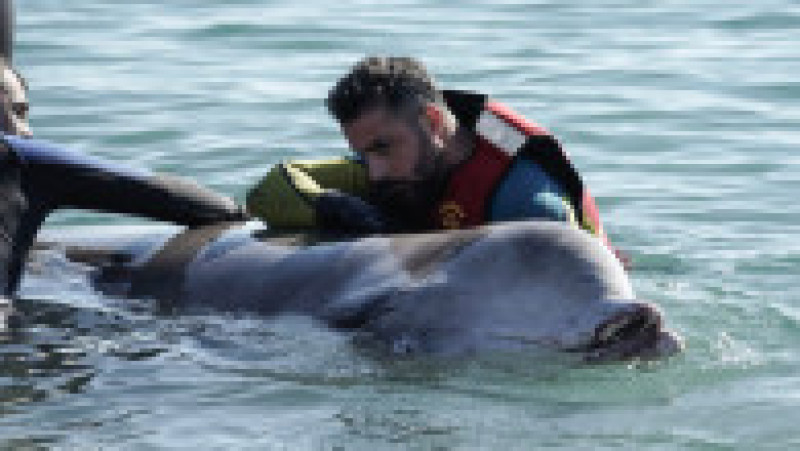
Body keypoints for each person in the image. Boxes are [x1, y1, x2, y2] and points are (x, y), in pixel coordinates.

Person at [247, 56, 612, 248]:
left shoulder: (526, 201)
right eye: (362, 153)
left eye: (382, 149)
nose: (373, 172)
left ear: (434, 123)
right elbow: (270, 191)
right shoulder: (396, 166)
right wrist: (348, 214)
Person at [1, 58, 247, 298]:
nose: (27, 132)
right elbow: (196, 203)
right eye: (18, 111)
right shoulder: (21, 160)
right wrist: (245, 211)